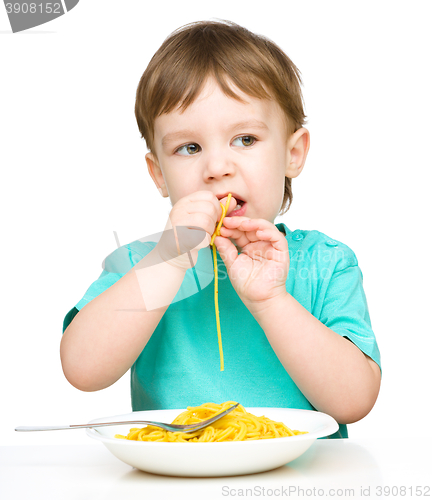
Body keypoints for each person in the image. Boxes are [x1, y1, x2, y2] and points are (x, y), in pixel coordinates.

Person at [60, 20, 381, 439]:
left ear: (293, 153)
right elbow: (83, 370)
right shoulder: (143, 264)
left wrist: (271, 300)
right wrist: (167, 261)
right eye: (188, 148)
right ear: (158, 174)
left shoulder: (326, 262)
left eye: (245, 139)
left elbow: (353, 402)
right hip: (176, 476)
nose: (216, 168)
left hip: (301, 479)